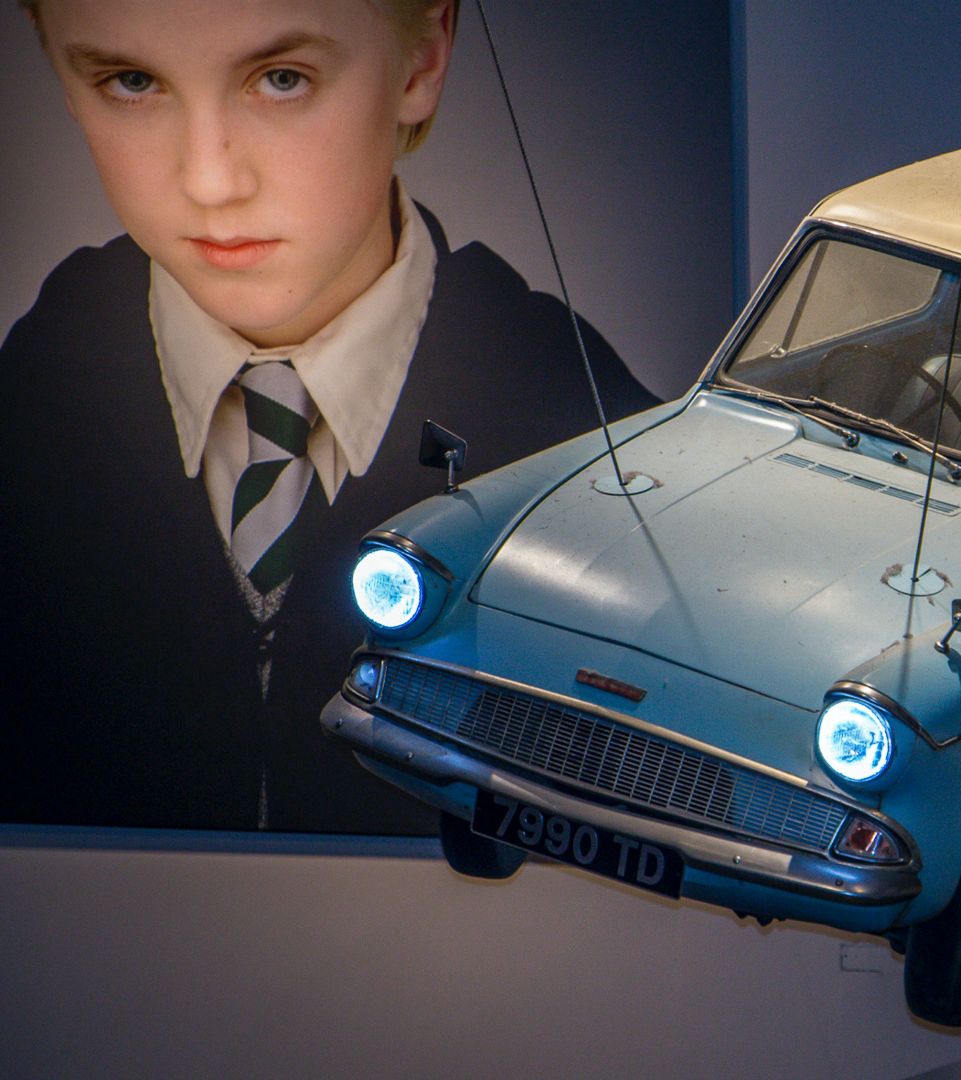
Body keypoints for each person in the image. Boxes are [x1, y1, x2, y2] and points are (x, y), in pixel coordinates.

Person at [0, 0, 658, 833]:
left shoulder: (605, 460)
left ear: (421, 57)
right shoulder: (25, 416)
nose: (210, 181)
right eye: (131, 82)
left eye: (282, 79)